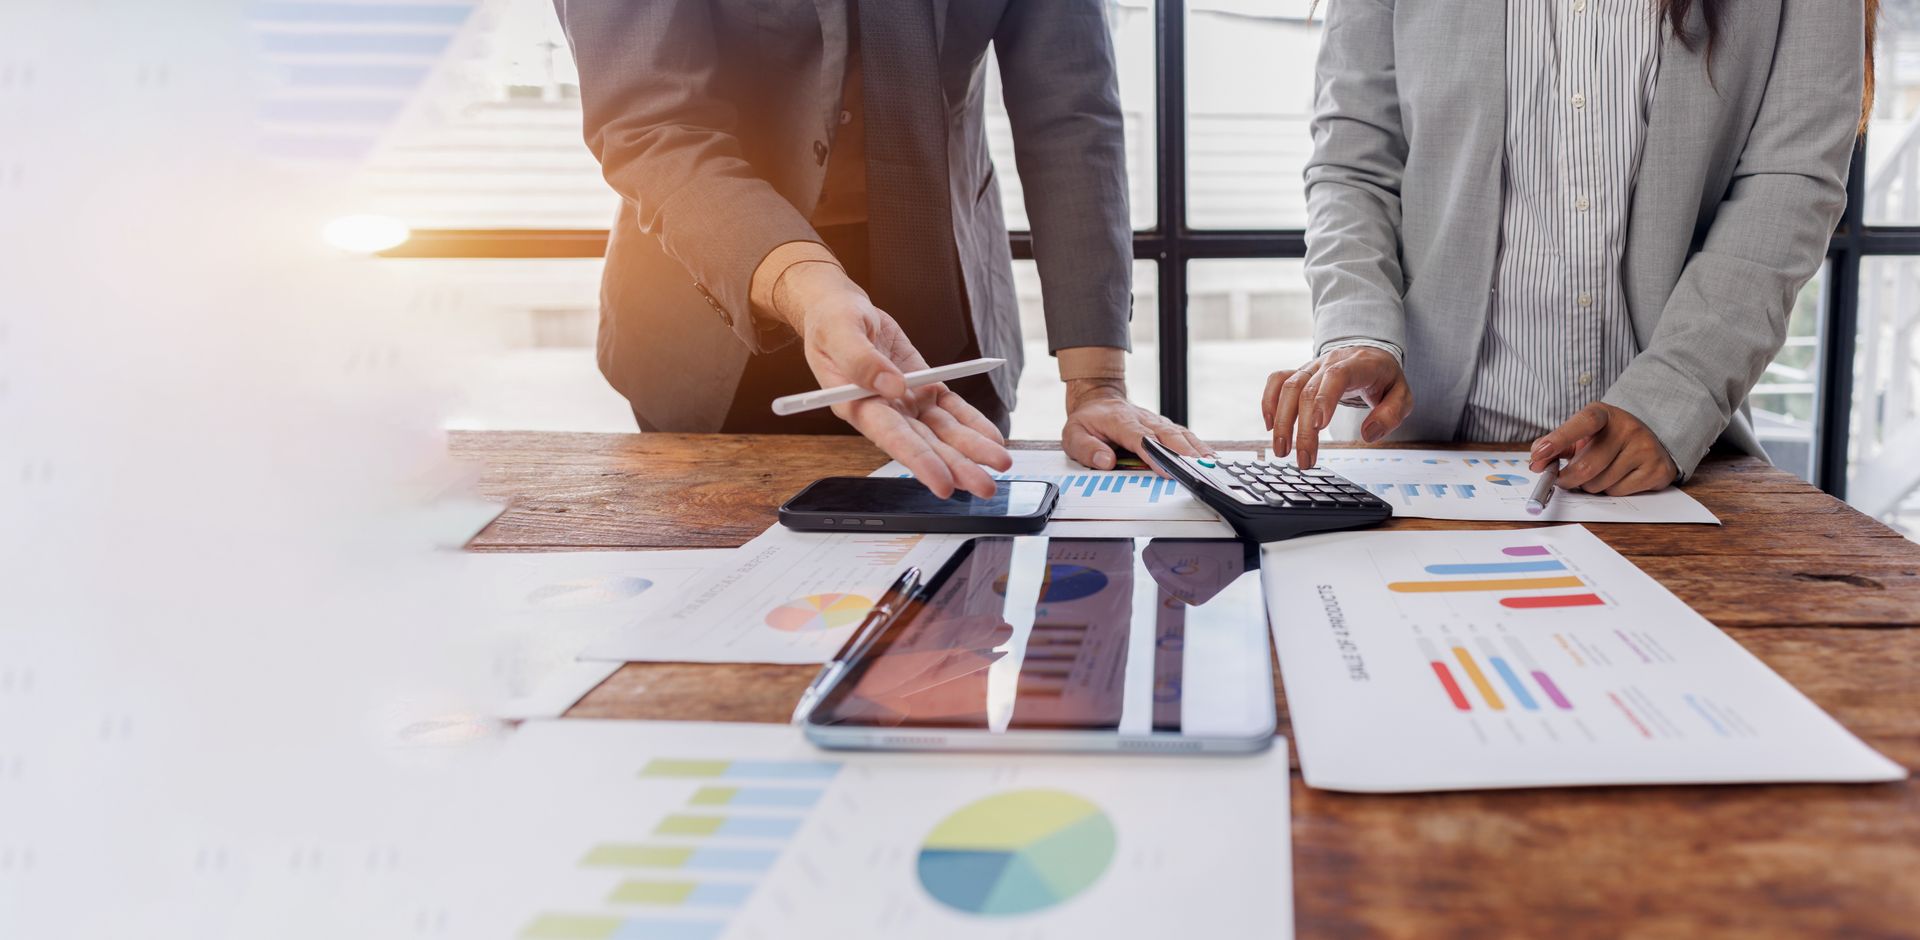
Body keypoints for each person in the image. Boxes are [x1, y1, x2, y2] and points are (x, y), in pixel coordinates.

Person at [558, 0, 1207, 500]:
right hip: (710, 311)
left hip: (943, 329)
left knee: (946, 643)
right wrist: (809, 287)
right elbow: (649, 122)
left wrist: (1096, 385)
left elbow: (1070, 111)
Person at [1264, 0, 1874, 495]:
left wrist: (1672, 398)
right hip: (1420, 456)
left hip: (1669, 469)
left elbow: (1790, 183)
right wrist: (1359, 330)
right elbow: (1354, 163)